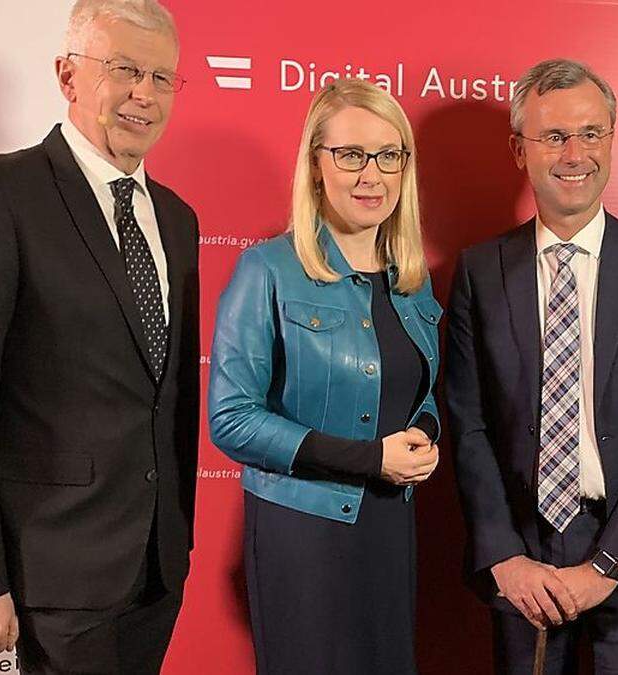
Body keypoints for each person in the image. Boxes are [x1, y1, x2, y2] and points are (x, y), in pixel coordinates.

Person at [0, 1, 199, 672]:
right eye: (125, 69)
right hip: (47, 571)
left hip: (156, 569)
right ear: (67, 75)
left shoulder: (177, 216)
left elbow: (166, 394)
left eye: (163, 77)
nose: (145, 93)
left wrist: (177, 541)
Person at [446, 58, 618, 675]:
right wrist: (504, 558)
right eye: (554, 136)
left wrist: (607, 564)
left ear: (613, 140)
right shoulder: (480, 272)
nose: (575, 154)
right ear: (520, 150)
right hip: (524, 565)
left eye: (591, 133)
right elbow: (468, 426)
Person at [207, 78, 441, 674]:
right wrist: (369, 459)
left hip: (390, 525)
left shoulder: (412, 278)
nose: (372, 174)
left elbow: (424, 390)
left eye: (389, 155)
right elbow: (231, 419)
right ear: (315, 166)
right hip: (303, 534)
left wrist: (426, 435)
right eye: (351, 155)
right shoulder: (267, 268)